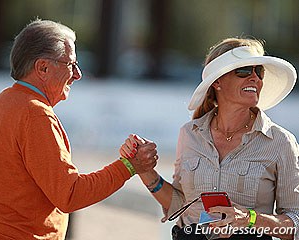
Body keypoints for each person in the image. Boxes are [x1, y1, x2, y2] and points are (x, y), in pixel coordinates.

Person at [120, 37, 299, 239]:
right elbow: (180, 205)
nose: (255, 78)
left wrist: (250, 219)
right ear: (217, 82)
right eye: (244, 70)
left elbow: (295, 223)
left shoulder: (280, 142)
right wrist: (144, 170)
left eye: (259, 72)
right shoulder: (189, 134)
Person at [0, 19, 158, 240]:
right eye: (71, 64)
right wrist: (128, 166)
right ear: (43, 67)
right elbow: (70, 195)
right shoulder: (35, 114)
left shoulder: (1, 103)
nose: (78, 74)